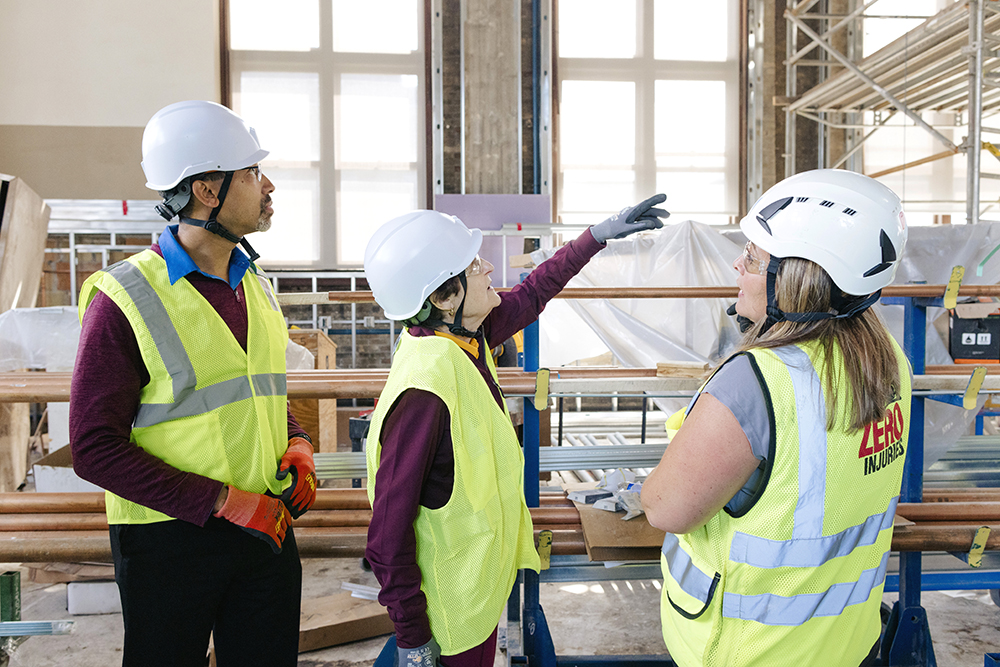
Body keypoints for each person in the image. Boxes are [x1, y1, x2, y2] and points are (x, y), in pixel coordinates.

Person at [363, 197, 670, 667]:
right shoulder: (423, 392)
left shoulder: (462, 338)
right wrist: (412, 637)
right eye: (473, 265)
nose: (488, 267)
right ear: (444, 298)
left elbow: (532, 294)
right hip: (451, 617)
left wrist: (595, 238)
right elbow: (386, 533)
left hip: (479, 592)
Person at [69, 100, 317, 667]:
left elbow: (258, 390)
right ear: (208, 190)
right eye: (253, 173)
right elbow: (92, 449)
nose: (268, 184)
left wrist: (296, 440)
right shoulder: (124, 297)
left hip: (265, 523)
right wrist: (224, 502)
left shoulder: (254, 285)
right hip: (168, 538)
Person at [640, 169, 911, 667]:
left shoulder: (757, 381)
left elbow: (664, 508)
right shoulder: (889, 360)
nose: (737, 265)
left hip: (756, 650)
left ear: (796, 276)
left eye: (752, 257)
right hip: (842, 642)